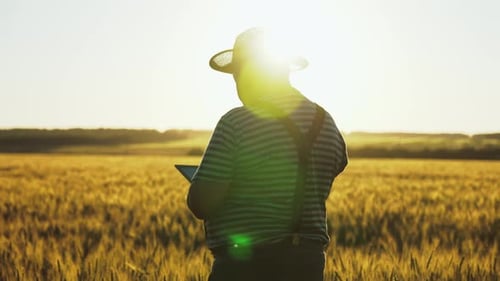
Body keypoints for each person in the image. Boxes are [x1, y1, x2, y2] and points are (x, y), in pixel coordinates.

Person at [187, 27, 348, 281]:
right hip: (308, 264)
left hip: (246, 265)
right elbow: (331, 168)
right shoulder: (325, 122)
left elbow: (201, 203)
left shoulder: (236, 122)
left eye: (237, 74)